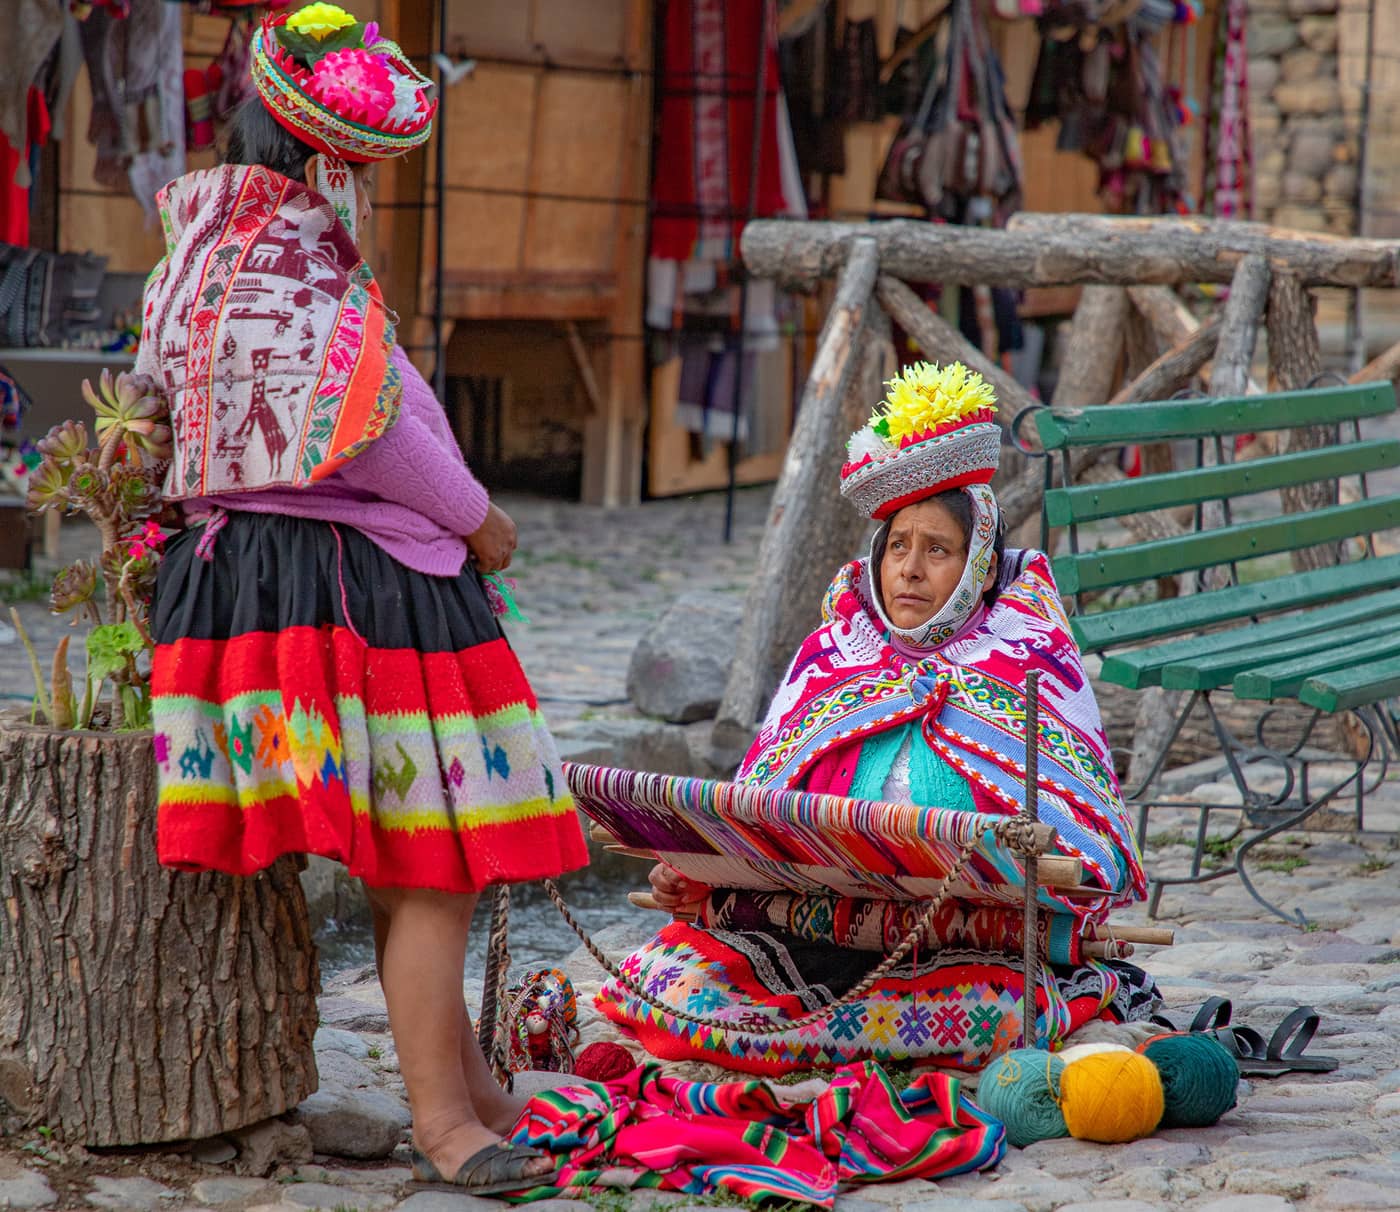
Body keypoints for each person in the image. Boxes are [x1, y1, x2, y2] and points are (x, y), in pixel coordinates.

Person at [143, 8, 585, 1193]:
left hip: (244, 586)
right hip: (354, 590)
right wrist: (479, 518)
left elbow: (157, 408)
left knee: (407, 856)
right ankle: (446, 1125)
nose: (371, 197)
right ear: (328, 161)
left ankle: (474, 1091)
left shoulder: (195, 253)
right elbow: (376, 427)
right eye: (367, 174)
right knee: (428, 856)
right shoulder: (297, 261)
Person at [597, 360, 1158, 1076]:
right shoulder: (834, 658)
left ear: (982, 567)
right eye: (898, 548)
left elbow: (1078, 846)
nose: (910, 571)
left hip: (968, 947)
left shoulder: (1027, 663)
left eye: (938, 550)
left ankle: (870, 1031)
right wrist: (703, 882)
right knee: (669, 985)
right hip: (817, 932)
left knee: (998, 1009)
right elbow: (763, 815)